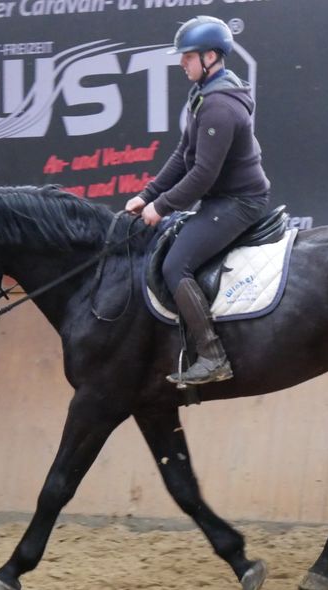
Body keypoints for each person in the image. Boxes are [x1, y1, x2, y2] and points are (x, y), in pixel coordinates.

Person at [125, 15, 271, 386]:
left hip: (239, 202)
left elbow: (203, 174)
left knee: (176, 266)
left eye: (187, 56)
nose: (181, 63)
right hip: (222, 199)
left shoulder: (219, 106)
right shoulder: (203, 95)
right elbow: (182, 155)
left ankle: (212, 356)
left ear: (210, 56)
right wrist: (147, 195)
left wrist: (162, 207)